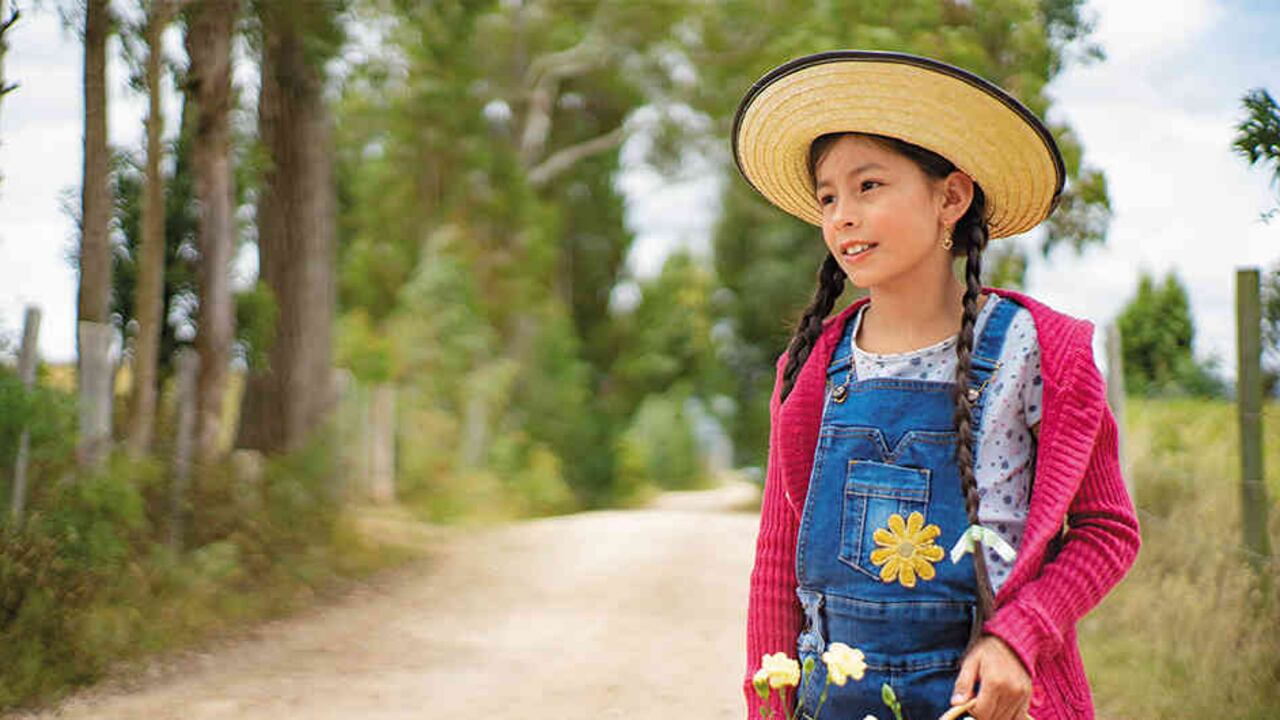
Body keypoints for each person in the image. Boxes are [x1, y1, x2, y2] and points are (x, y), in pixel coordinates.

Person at [735, 51, 1141, 720]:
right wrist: (767, 709)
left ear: (950, 196)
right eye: (828, 197)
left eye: (869, 186)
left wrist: (1021, 635)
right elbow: (778, 568)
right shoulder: (808, 368)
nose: (841, 216)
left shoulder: (1036, 352)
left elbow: (1106, 530)